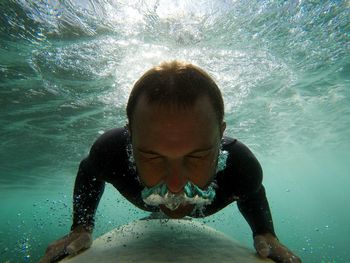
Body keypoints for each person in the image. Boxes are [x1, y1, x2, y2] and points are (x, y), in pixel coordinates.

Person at [39, 61, 301, 263]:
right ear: (130, 138)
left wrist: (265, 233)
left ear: (221, 137)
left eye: (196, 156)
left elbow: (252, 192)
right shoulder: (110, 152)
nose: (175, 187)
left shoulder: (241, 167)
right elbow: (89, 171)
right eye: (152, 156)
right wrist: (81, 227)